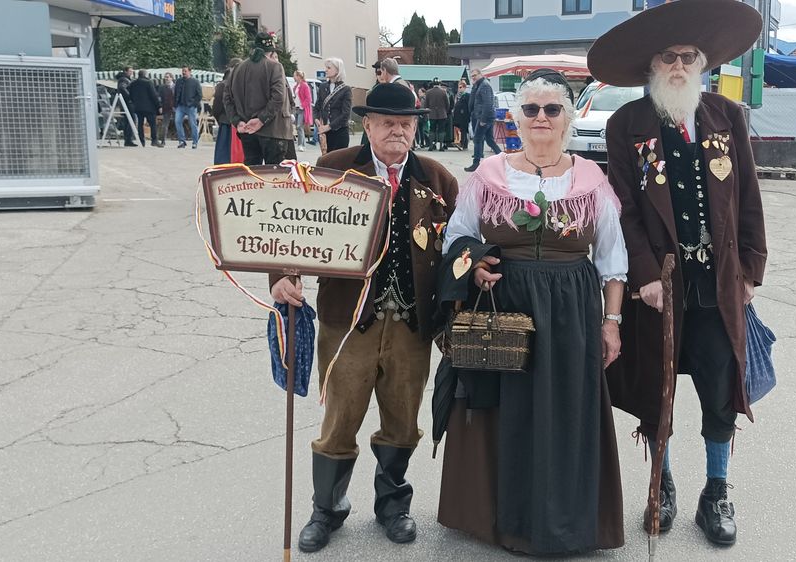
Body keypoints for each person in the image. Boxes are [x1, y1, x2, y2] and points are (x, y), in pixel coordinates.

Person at [588, 0, 768, 547]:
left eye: (689, 57)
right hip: (659, 288)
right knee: (657, 391)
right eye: (668, 57)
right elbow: (624, 208)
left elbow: (750, 198)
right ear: (652, 66)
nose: (679, 67)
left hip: (718, 285)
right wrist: (641, 274)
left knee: (719, 390)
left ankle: (715, 492)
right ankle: (661, 482)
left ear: (702, 63)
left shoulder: (726, 117)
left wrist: (751, 270)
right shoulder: (627, 125)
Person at [435, 73, 627, 556]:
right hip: (507, 307)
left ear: (567, 119)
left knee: (564, 411)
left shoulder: (590, 179)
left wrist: (612, 322)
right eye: (532, 109)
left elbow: (612, 259)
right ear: (516, 119)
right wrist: (474, 263)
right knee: (508, 411)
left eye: (552, 109)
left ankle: (562, 521)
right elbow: (454, 237)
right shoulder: (489, 175)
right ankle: (506, 520)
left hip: (571, 315)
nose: (541, 118)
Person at [269, 82, 458, 553]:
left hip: (412, 324)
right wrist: (281, 275)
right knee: (340, 418)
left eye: (407, 123)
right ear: (367, 125)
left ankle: (393, 504)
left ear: (417, 127)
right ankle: (327, 508)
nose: (398, 130)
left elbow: (459, 247)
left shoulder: (438, 179)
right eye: (388, 122)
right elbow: (289, 227)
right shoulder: (333, 170)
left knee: (402, 421)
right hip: (348, 320)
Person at [226, 33, 295, 165]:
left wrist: (237, 121)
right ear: (271, 52)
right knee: (274, 178)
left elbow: (227, 98)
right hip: (273, 131)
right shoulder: (275, 66)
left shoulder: (237, 68)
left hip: (247, 130)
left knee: (252, 176)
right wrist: (261, 119)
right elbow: (278, 98)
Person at [465, 68, 501, 172]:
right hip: (481, 116)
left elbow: (488, 103)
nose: (473, 78)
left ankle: (476, 163)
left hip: (484, 117)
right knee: (489, 140)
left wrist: (483, 119)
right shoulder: (478, 85)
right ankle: (502, 158)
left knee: (477, 139)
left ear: (481, 74)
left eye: (475, 75)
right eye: (472, 76)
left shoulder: (484, 85)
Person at [316, 57, 353, 153]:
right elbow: (317, 107)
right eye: (326, 67)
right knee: (326, 162)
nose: (326, 70)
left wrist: (329, 126)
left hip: (340, 132)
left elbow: (345, 114)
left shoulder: (346, 89)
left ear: (337, 70)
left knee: (337, 163)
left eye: (329, 68)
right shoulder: (322, 87)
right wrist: (316, 119)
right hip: (325, 133)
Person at [211, 58, 240, 164]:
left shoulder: (223, 84)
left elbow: (216, 107)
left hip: (231, 123)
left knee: (224, 154)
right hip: (230, 122)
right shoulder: (224, 85)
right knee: (227, 154)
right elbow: (217, 106)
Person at [128, 70, 160, 147]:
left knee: (140, 124)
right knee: (152, 124)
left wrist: (135, 103)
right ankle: (154, 140)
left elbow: (130, 95)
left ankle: (142, 141)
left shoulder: (133, 83)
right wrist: (158, 105)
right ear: (145, 75)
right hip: (149, 107)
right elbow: (154, 95)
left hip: (138, 107)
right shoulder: (148, 82)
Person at [174, 66, 203, 148]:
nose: (183, 72)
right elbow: (176, 92)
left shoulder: (195, 82)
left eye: (185, 71)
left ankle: (195, 142)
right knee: (177, 121)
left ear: (190, 72)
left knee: (193, 124)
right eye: (182, 71)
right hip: (180, 106)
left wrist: (194, 103)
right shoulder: (179, 81)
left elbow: (199, 95)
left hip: (191, 106)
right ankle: (182, 141)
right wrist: (175, 104)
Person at [113, 66, 138, 146]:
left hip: (124, 102)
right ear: (126, 71)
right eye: (130, 71)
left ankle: (128, 139)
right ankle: (128, 139)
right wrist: (130, 96)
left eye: (132, 71)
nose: (132, 73)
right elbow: (122, 88)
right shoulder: (124, 79)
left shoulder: (123, 79)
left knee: (128, 121)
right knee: (131, 119)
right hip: (127, 103)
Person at [424, 80, 450, 151]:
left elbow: (426, 104)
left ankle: (431, 146)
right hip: (442, 114)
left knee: (432, 130)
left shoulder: (428, 92)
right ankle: (441, 146)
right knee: (441, 130)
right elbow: (447, 104)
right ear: (439, 84)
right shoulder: (443, 92)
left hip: (432, 114)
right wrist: (445, 111)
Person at [293, 70, 313, 150]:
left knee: (299, 126)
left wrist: (302, 105)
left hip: (302, 109)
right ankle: (302, 144)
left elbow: (309, 98)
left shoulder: (305, 85)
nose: (294, 77)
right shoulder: (296, 86)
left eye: (295, 75)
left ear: (299, 76)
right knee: (297, 126)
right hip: (296, 108)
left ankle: (301, 145)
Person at [452, 79, 471, 150]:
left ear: (464, 87)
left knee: (464, 130)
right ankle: (461, 142)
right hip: (458, 116)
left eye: (460, 87)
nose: (459, 89)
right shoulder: (458, 96)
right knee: (460, 129)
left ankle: (463, 144)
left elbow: (468, 106)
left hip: (464, 116)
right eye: (458, 87)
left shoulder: (467, 95)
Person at [159, 73, 176, 147]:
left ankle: (181, 140)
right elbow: (159, 97)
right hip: (166, 107)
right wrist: (160, 106)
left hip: (175, 107)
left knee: (178, 123)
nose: (166, 79)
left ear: (171, 78)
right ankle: (163, 140)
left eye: (168, 77)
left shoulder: (176, 87)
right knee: (164, 125)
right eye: (165, 77)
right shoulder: (162, 87)